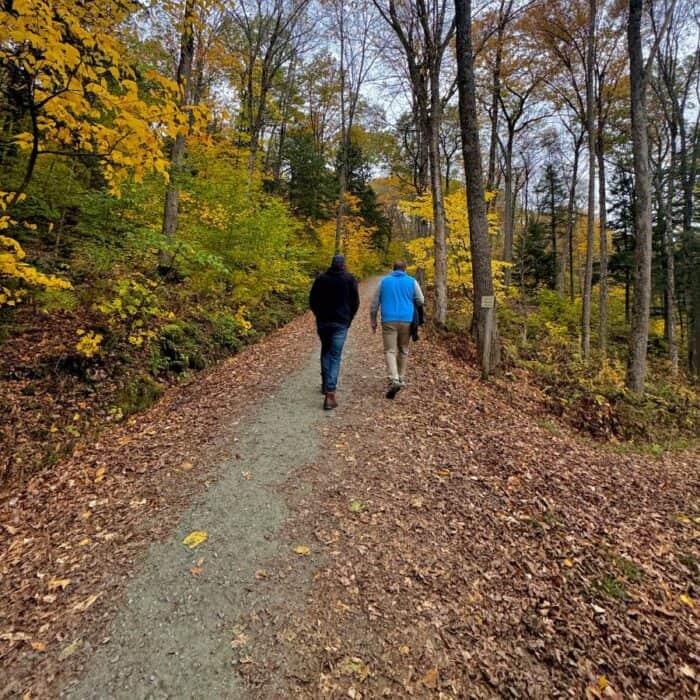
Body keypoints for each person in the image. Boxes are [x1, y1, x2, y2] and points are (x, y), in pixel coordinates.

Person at [309, 254, 360, 410]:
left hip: (323, 322)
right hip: (340, 322)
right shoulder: (349, 279)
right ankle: (330, 393)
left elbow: (312, 300)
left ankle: (325, 384)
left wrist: (318, 314)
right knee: (335, 356)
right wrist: (349, 318)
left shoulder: (321, 279)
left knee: (325, 350)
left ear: (331, 264)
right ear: (343, 264)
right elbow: (355, 302)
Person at [370, 261, 424, 399]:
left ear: (392, 269)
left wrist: (373, 320)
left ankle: (393, 379)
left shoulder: (384, 282)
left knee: (390, 350)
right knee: (403, 349)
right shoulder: (412, 281)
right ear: (405, 269)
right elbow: (420, 300)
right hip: (407, 319)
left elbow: (375, 302)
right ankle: (401, 377)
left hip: (389, 319)